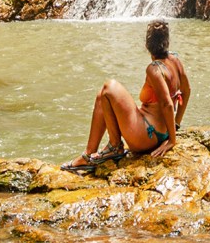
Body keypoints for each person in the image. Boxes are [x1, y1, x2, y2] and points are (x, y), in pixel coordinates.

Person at [63, 19, 190, 173]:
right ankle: (95, 152)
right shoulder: (175, 60)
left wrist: (172, 140)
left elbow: (167, 104)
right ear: (167, 41)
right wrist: (176, 125)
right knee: (102, 95)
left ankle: (110, 148)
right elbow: (187, 90)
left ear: (147, 45)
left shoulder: (154, 70)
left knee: (109, 87)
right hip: (158, 130)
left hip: (148, 136)